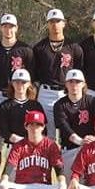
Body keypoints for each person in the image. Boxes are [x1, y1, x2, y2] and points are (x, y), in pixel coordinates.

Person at [33, 9, 83, 140]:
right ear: (48, 24)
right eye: (51, 22)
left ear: (64, 23)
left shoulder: (74, 47)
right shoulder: (39, 48)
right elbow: (35, 73)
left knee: (69, 129)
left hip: (67, 92)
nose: (55, 24)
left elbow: (79, 70)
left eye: (58, 21)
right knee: (47, 133)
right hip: (46, 92)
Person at [0, 111, 67, 189]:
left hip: (42, 187)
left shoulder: (51, 145)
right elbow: (8, 167)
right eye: (31, 124)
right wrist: (3, 182)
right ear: (26, 126)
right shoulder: (19, 145)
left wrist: (62, 184)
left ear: (43, 127)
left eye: (38, 125)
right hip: (22, 186)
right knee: (0, 187)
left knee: (62, 188)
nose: (34, 128)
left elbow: (59, 167)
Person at [54, 69, 95, 178]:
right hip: (70, 149)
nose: (74, 85)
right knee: (71, 187)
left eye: (77, 82)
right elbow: (64, 128)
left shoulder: (92, 101)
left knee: (92, 183)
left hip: (92, 148)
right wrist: (81, 141)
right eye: (71, 82)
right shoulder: (59, 105)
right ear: (66, 84)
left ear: (83, 84)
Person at [0, 13, 35, 106]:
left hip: (20, 96)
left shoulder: (26, 50)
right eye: (5, 26)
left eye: (11, 27)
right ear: (1, 28)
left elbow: (32, 74)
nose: (8, 30)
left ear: (16, 28)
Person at [0, 69, 46, 146]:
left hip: (33, 146)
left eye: (23, 82)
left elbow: (43, 129)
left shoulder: (36, 105)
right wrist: (19, 140)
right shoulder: (5, 106)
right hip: (12, 145)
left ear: (29, 84)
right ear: (12, 83)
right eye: (17, 82)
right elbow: (3, 131)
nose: (20, 85)